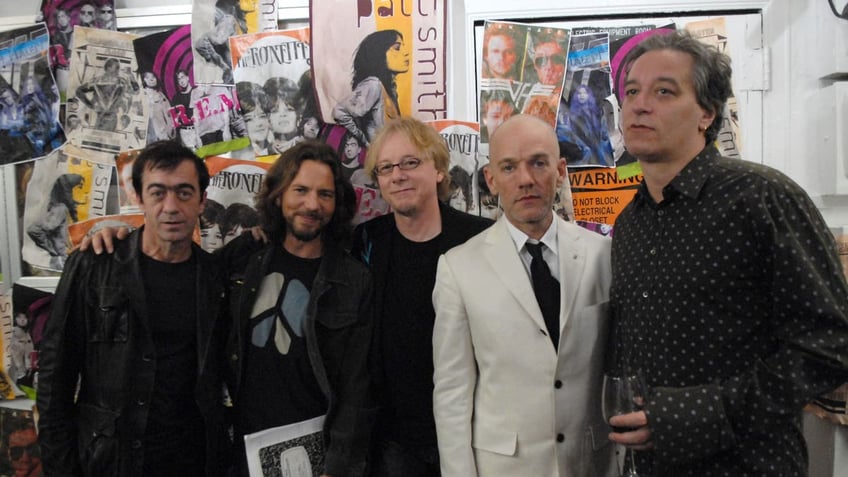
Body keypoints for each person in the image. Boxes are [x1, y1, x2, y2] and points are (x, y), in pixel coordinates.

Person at [608, 30, 848, 476]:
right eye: (632, 91)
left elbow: (831, 344)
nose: (639, 104)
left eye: (664, 91)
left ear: (706, 112)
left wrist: (697, 413)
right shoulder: (630, 223)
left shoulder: (762, 198)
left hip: (748, 466)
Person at [432, 114, 616, 476]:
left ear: (560, 170)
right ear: (491, 179)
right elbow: (452, 393)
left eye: (538, 163)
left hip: (591, 462)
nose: (526, 180)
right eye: (509, 167)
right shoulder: (459, 267)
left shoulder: (603, 255)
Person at [36, 141, 231, 476]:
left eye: (184, 193)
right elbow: (55, 381)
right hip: (110, 461)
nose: (171, 206)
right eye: (158, 193)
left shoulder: (217, 278)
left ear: (202, 201)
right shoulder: (93, 266)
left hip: (193, 460)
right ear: (138, 198)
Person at [216, 140, 375, 476]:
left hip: (314, 454)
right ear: (279, 195)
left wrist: (339, 463)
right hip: (238, 448)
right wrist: (115, 242)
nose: (312, 204)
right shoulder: (244, 258)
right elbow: (181, 271)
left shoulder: (353, 280)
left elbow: (357, 387)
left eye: (325, 194)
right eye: (300, 190)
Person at [349, 117, 492, 476]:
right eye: (386, 168)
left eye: (411, 162)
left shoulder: (482, 240)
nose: (398, 175)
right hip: (395, 438)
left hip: (474, 428)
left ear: (440, 171)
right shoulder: (365, 242)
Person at [333, 29, 408, 146]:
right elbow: (339, 112)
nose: (406, 52)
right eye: (397, 48)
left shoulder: (390, 89)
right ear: (379, 52)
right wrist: (365, 142)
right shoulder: (373, 85)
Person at [26, 173, 85, 270]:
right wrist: (52, 249)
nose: (83, 192)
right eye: (79, 188)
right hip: (62, 263)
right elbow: (34, 229)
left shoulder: (68, 210)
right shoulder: (60, 209)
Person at [75, 57, 140, 132]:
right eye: (116, 67)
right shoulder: (97, 81)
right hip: (99, 117)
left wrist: (131, 76)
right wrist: (90, 105)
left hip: (113, 118)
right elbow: (78, 91)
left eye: (118, 68)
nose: (118, 70)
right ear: (108, 68)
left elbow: (136, 92)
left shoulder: (121, 82)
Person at [562, 84, 614, 167]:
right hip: (583, 154)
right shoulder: (572, 115)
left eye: (584, 93)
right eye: (579, 93)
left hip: (599, 153)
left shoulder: (596, 113)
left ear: (589, 95)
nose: (582, 95)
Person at [264, 77, 303, 154]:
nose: (282, 115)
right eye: (275, 111)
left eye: (289, 109)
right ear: (268, 120)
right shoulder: (261, 154)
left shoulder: (309, 149)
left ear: (298, 116)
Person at [141, 70, 174, 143]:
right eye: (147, 77)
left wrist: (170, 130)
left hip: (163, 135)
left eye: (153, 77)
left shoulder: (161, 96)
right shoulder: (141, 95)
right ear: (143, 80)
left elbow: (169, 115)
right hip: (148, 137)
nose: (151, 79)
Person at [170, 69, 200, 149]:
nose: (181, 81)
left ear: (187, 77)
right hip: (185, 132)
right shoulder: (176, 98)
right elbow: (175, 119)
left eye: (182, 77)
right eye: (178, 79)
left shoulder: (197, 91)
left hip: (199, 129)